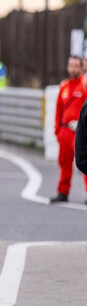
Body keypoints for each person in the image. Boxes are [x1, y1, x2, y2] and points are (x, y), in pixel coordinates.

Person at [54, 56, 87, 203]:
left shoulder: (85, 86)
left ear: (82, 68)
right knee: (64, 163)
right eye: (71, 65)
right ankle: (63, 191)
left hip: (80, 131)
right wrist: (58, 130)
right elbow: (58, 110)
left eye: (76, 66)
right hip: (65, 131)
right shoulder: (63, 86)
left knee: (84, 162)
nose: (73, 68)